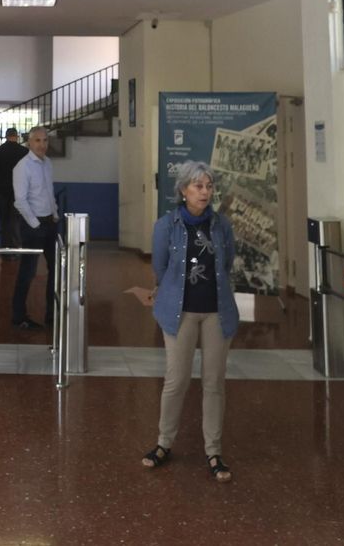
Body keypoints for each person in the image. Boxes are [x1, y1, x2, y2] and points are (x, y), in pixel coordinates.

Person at [140, 161, 239, 483]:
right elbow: (160, 266)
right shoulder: (166, 225)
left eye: (209, 186)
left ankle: (213, 450)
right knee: (176, 380)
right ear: (183, 190)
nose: (205, 192)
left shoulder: (221, 225)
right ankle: (164, 443)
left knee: (214, 383)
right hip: (179, 312)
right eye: (198, 186)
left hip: (216, 312)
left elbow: (226, 262)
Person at [10, 126, 58, 329]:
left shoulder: (47, 164)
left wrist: (54, 214)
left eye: (45, 140)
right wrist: (36, 224)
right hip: (33, 225)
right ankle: (19, 317)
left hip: (50, 223)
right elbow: (20, 201)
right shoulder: (23, 167)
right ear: (29, 143)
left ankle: (51, 315)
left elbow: (49, 192)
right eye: (37, 140)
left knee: (56, 270)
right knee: (27, 272)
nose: (42, 145)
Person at [0, 127, 28, 247]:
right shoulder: (24, 151)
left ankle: (5, 249)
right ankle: (16, 249)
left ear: (6, 136)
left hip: (3, 191)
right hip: (19, 193)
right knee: (16, 222)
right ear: (16, 136)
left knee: (4, 222)